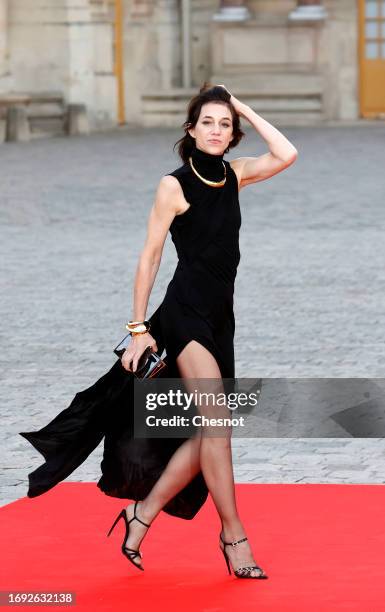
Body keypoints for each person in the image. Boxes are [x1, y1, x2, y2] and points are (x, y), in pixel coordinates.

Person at [19, 83, 297, 580]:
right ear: (190, 130)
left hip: (221, 318)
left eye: (224, 124)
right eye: (207, 122)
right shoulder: (173, 185)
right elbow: (149, 256)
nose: (216, 130)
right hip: (184, 314)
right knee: (217, 425)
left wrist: (246, 108)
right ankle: (234, 537)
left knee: (214, 430)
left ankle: (140, 514)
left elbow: (287, 153)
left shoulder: (234, 176)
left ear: (232, 134)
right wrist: (138, 328)